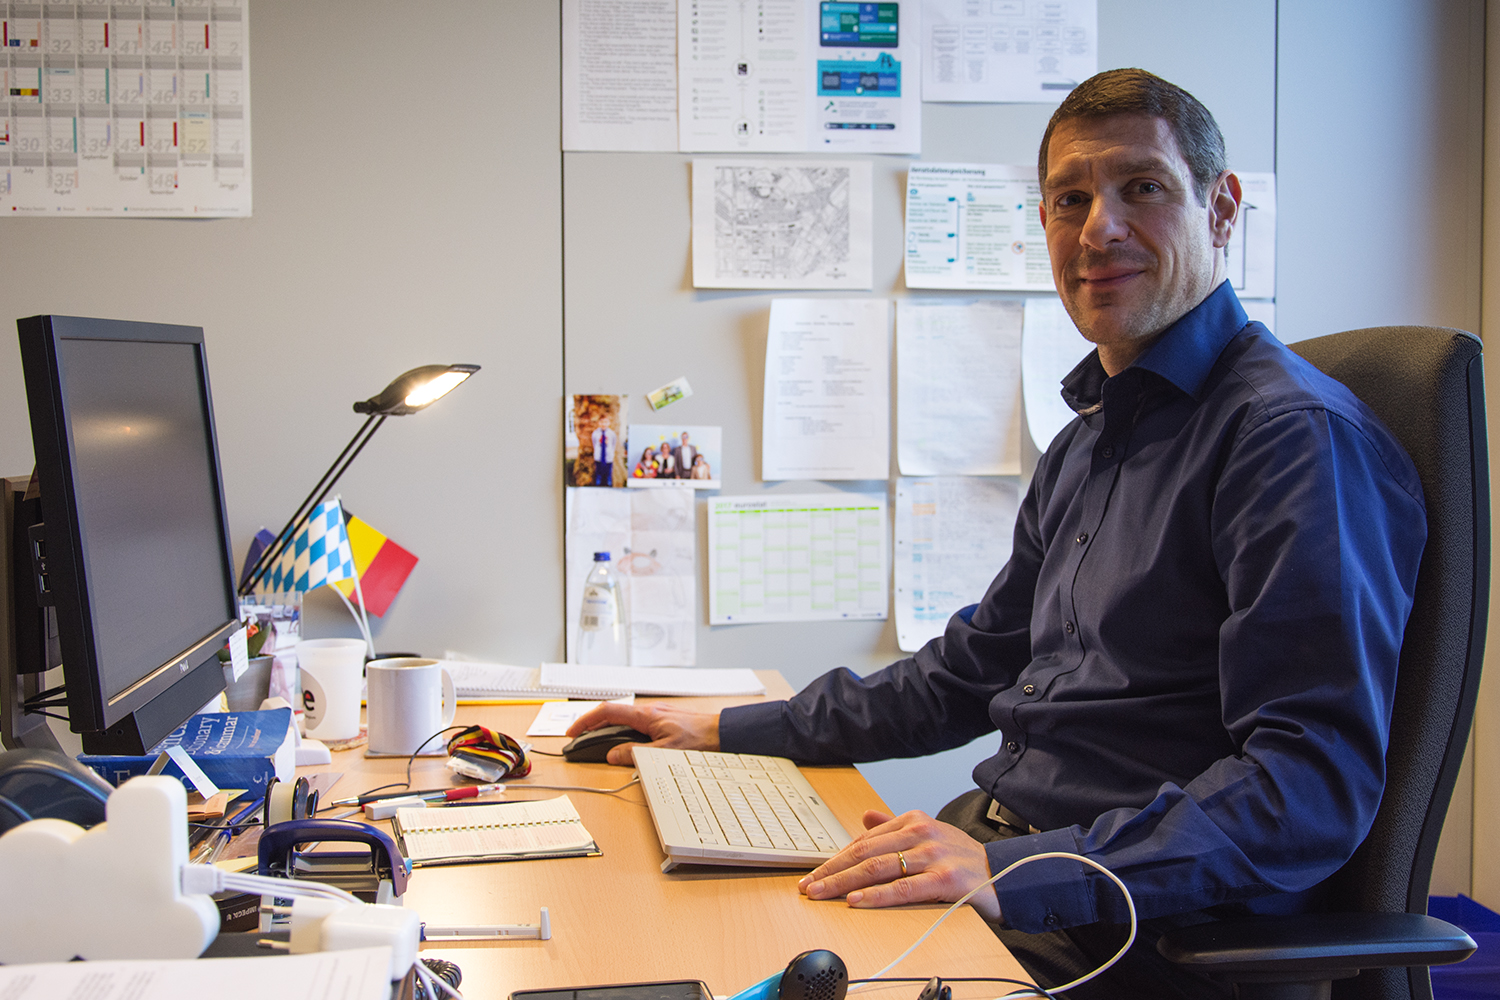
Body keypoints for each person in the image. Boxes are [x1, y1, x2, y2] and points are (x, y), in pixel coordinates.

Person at [570, 68, 1425, 999]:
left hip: (1127, 941)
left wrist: (1022, 875)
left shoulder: (1289, 440)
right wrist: (726, 731)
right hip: (1006, 872)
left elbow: (1308, 788)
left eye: (1142, 187)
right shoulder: (1091, 440)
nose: (1099, 227)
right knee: (674, 943)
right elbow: (971, 672)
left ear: (1221, 210)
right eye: (1070, 198)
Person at [589, 422, 617, 487]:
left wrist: (611, 453)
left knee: (608, 475)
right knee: (598, 474)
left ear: (608, 423)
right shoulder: (595, 433)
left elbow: (613, 444)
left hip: (608, 458)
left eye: (605, 422)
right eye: (602, 422)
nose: (603, 424)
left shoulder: (611, 434)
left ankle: (609, 486)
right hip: (599, 457)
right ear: (599, 423)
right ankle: (598, 486)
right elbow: (594, 443)